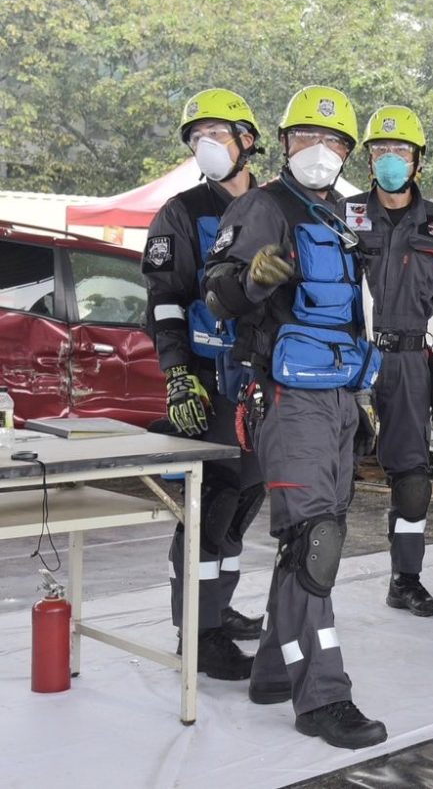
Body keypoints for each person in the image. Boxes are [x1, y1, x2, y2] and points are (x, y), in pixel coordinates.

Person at [202, 85, 387, 748]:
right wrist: (252, 276)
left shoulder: (346, 215)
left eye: (334, 141)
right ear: (284, 144)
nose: (321, 150)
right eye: (307, 137)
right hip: (287, 395)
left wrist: (367, 397)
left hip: (341, 397)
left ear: (347, 153)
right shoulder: (264, 206)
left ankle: (274, 671)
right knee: (316, 542)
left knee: (314, 536)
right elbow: (218, 296)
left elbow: (358, 308)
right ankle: (323, 699)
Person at [142, 88, 266, 680]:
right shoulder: (183, 213)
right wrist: (177, 376)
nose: (206, 146)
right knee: (210, 505)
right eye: (197, 138)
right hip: (209, 382)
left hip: (266, 381)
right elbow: (166, 301)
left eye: (217, 134)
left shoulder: (275, 206)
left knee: (244, 500)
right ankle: (197, 629)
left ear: (248, 140)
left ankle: (218, 607)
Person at [339, 105, 433, 619]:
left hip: (411, 362)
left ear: (418, 161)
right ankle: (309, 583)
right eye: (380, 150)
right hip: (350, 361)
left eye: (400, 151)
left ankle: (406, 580)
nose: (390, 159)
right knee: (332, 474)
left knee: (413, 478)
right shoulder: (344, 215)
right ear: (368, 158)